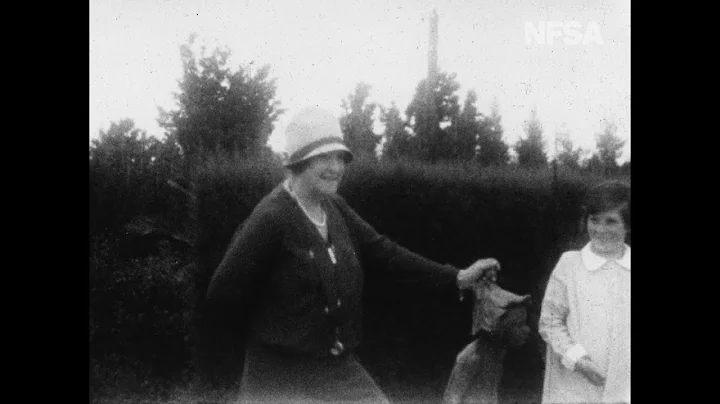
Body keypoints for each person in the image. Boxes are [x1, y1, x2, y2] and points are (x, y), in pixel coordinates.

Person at [205, 106, 500, 404]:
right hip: (278, 375)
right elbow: (222, 295)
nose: (336, 167)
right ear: (298, 162)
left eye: (340, 157)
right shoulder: (271, 218)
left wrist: (457, 277)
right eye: (323, 157)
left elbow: (386, 254)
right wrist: (270, 338)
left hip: (335, 367)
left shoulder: (335, 209)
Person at [539, 180, 630, 403]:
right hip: (574, 386)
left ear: (627, 226)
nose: (600, 229)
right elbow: (550, 323)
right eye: (594, 220)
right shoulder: (570, 265)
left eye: (611, 222)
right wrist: (577, 360)